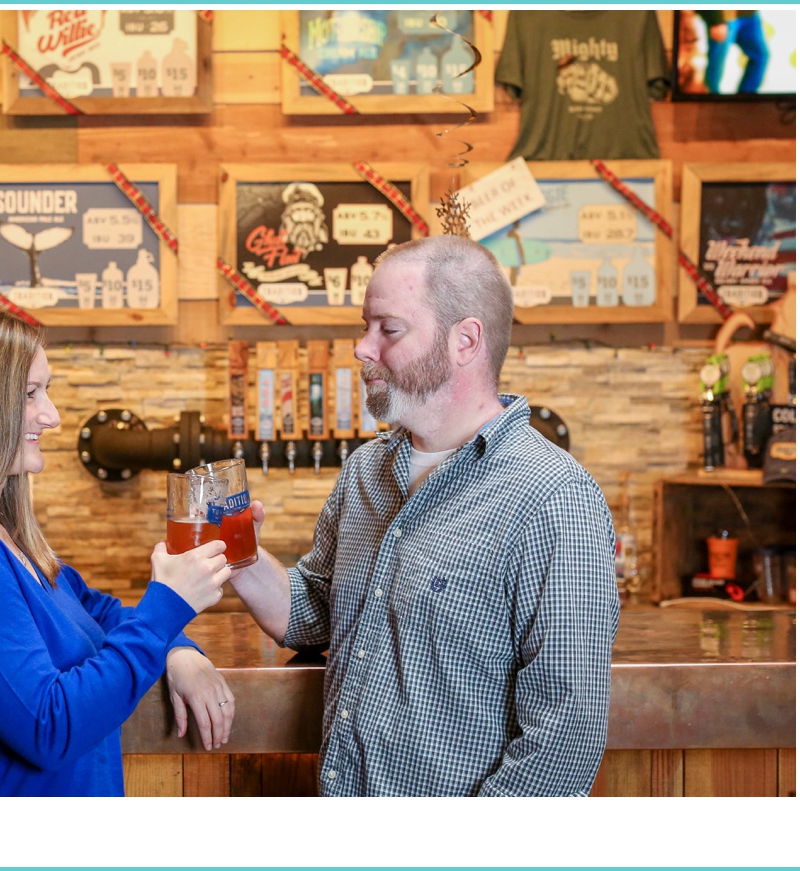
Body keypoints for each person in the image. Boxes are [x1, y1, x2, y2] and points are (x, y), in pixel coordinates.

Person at [230, 235, 620, 796]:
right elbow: (318, 609)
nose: (363, 348)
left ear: (465, 341)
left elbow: (564, 733)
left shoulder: (553, 497)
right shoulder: (368, 469)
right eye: (365, 327)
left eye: (388, 329)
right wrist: (241, 557)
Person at [0, 307, 235, 796]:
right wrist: (168, 607)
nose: (52, 415)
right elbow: (50, 727)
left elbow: (99, 612)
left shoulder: (5, 539)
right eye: (29, 394)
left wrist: (179, 649)